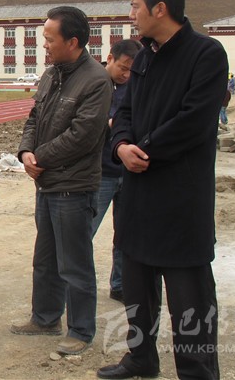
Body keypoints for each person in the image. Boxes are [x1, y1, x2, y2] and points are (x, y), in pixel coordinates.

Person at [97, 0, 227, 380]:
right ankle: (141, 358)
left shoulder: (206, 54)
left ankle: (197, 371)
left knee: (190, 298)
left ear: (160, 9)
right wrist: (121, 145)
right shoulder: (144, 57)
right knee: (137, 286)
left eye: (135, 6)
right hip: (139, 192)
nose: (130, 13)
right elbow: (124, 111)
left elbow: (194, 121)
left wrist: (145, 150)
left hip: (181, 196)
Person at [11, 6, 112, 356]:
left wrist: (40, 157)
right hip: (47, 184)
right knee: (45, 260)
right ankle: (45, 318)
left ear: (73, 41)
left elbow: (83, 135)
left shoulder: (96, 80)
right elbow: (34, 117)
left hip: (74, 187)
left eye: (50, 39)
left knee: (75, 265)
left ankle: (81, 330)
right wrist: (26, 152)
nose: (45, 45)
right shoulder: (50, 74)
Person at [91, 38, 142, 304]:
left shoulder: (135, 87)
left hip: (129, 173)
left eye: (132, 70)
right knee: (85, 232)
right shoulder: (94, 82)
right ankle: (74, 285)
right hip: (100, 172)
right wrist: (111, 124)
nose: (126, 74)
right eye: (123, 68)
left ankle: (120, 284)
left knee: (125, 234)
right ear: (110, 58)